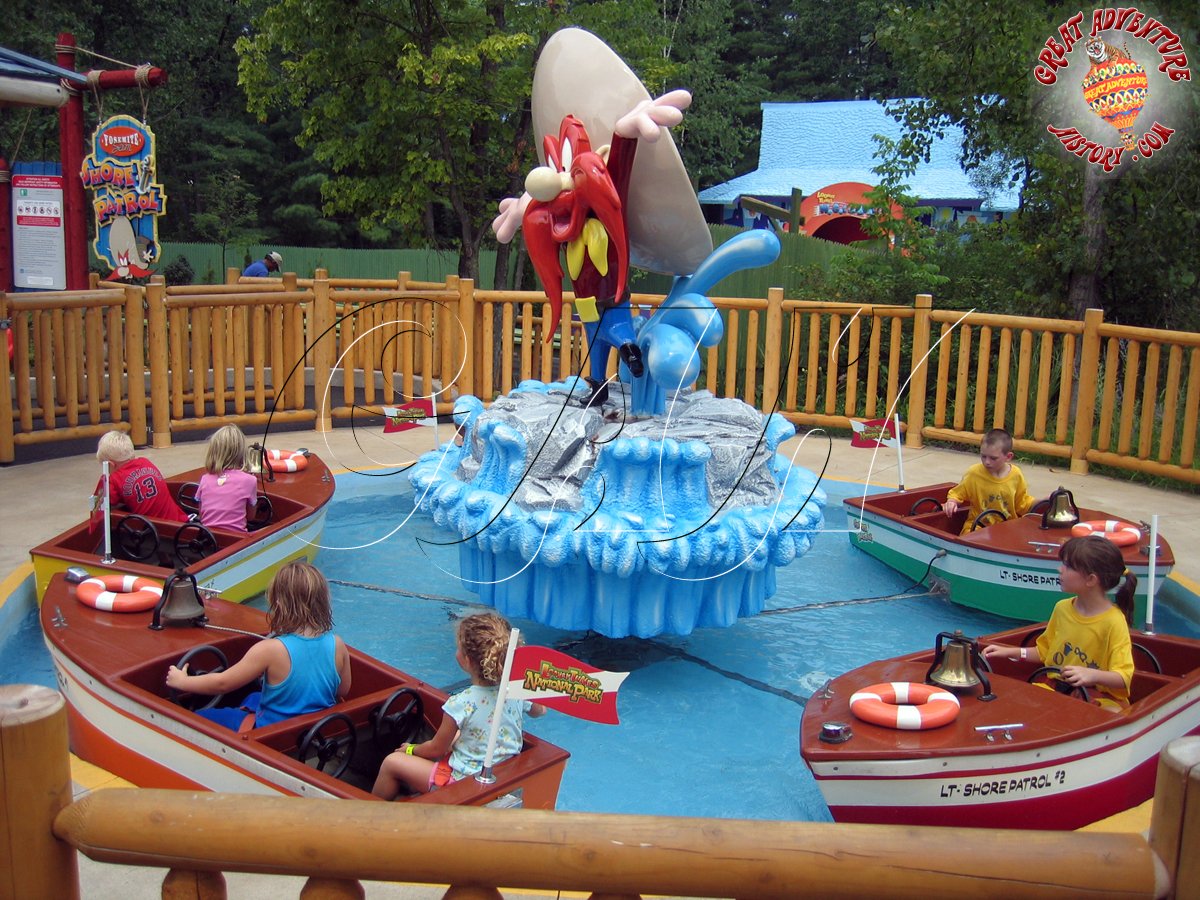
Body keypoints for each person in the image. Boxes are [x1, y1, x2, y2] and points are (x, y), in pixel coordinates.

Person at [372, 612, 545, 799]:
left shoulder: (460, 704)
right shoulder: (516, 689)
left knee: (392, 762)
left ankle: (368, 810)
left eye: (459, 649)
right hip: (504, 775)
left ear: (467, 661)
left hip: (462, 785)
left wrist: (410, 749)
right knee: (457, 737)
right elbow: (540, 711)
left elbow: (436, 749)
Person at [166, 561, 351, 729]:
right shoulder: (337, 644)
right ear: (323, 601)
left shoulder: (270, 650)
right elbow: (343, 690)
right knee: (253, 697)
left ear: (279, 604)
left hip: (271, 732)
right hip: (315, 732)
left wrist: (182, 681)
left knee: (198, 716)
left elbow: (222, 683)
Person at [982, 536, 1135, 711]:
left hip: (1095, 695)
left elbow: (1123, 677)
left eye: (1068, 566)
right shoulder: (1062, 608)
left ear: (1091, 580)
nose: (1059, 569)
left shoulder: (1114, 621)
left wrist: (1092, 675)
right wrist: (1010, 652)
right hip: (1056, 687)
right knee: (1016, 702)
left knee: (1111, 712)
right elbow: (1045, 651)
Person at [942, 427, 1035, 534]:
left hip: (1006, 527)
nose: (987, 462)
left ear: (1008, 457)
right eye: (983, 456)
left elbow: (1022, 503)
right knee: (970, 536)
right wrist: (952, 502)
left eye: (993, 458)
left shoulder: (1016, 475)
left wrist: (1045, 501)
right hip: (978, 526)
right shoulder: (974, 473)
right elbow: (957, 494)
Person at [92, 430, 187, 524]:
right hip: (179, 521)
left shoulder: (114, 479)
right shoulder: (145, 462)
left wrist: (103, 483)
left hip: (155, 529)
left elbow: (96, 509)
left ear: (110, 465)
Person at [196, 424, 258, 532]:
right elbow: (251, 517)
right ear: (242, 453)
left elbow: (202, 516)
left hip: (208, 536)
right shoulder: (250, 480)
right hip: (237, 538)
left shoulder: (205, 479)